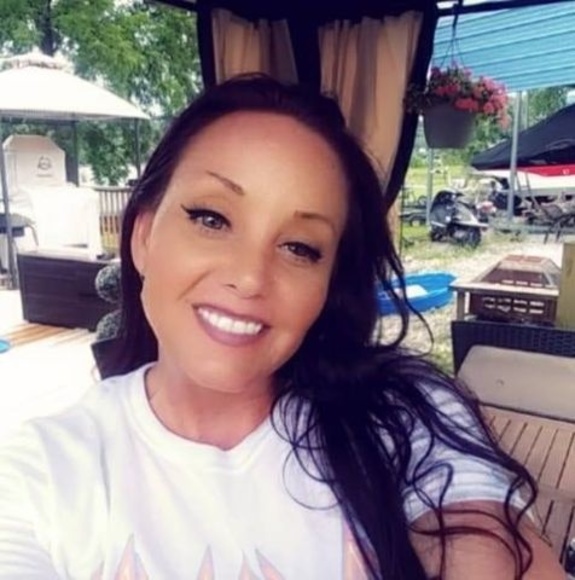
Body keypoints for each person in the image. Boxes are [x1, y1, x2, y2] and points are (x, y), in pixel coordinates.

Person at [0, 75, 565, 580]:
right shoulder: (39, 472)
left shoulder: (404, 415)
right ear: (143, 237)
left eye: (300, 247)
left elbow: (483, 539)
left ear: (328, 284)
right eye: (211, 218)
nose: (250, 277)